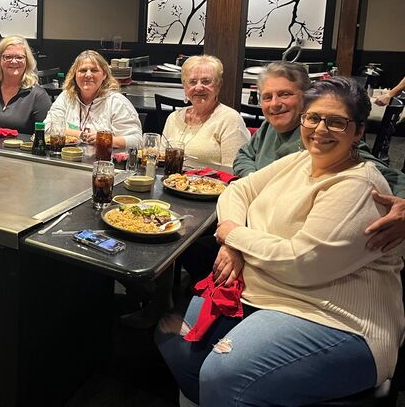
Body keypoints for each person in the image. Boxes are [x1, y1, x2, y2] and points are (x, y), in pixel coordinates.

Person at [157, 77, 405, 406]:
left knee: (221, 373)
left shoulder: (356, 184)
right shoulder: (303, 160)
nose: (320, 129)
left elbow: (301, 264)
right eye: (313, 118)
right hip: (270, 289)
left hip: (333, 315)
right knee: (182, 350)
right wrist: (233, 243)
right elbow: (238, 190)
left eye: (336, 122)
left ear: (359, 131)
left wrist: (232, 235)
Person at [234, 61, 405, 251]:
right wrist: (255, 183)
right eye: (267, 97)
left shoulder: (324, 137)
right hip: (255, 222)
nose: (275, 104)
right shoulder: (268, 127)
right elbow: (243, 155)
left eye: (285, 94)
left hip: (292, 240)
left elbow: (384, 175)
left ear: (307, 99)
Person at [162, 55, 250, 167]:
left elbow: (234, 171)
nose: (199, 87)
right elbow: (161, 161)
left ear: (218, 85)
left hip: (214, 183)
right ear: (184, 86)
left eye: (206, 81)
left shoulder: (231, 120)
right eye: (193, 82)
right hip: (171, 182)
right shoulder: (173, 118)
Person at [44, 50, 141, 150]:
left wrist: (106, 140)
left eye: (94, 70)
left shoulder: (117, 102)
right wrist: (82, 135)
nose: (88, 74)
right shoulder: (66, 97)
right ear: (75, 75)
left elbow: (136, 141)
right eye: (83, 70)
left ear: (104, 75)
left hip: (104, 161)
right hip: (67, 159)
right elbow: (48, 128)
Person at [0, 36, 51, 134]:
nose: (14, 61)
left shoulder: (38, 96)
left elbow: (44, 136)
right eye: (8, 57)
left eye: (19, 57)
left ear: (27, 61)